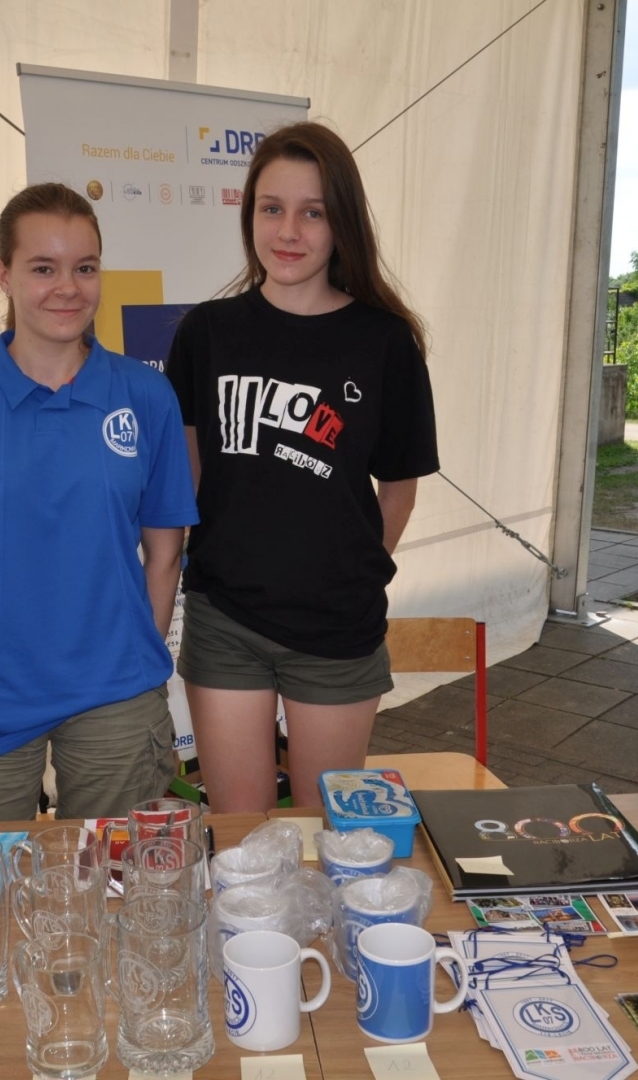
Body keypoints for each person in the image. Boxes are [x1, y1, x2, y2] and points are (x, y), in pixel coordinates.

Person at [0, 182, 198, 823]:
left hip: (118, 694)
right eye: (44, 268)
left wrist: (130, 651)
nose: (68, 287)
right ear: (3, 275)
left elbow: (165, 552)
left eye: (84, 268)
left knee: (123, 890)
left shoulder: (147, 397)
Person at [164, 121, 439, 811]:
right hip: (224, 616)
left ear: (340, 221)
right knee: (240, 837)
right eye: (271, 208)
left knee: (327, 837)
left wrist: (350, 577)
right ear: (248, 213)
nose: (288, 231)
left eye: (312, 212)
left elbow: (397, 491)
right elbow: (187, 472)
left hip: (336, 628)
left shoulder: (383, 342)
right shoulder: (207, 332)